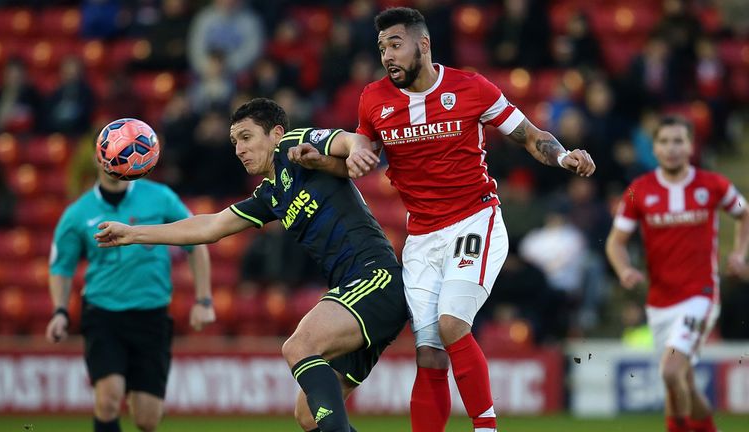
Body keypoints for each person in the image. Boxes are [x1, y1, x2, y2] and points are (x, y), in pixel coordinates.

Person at [293, 7, 595, 432]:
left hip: (475, 221)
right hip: (422, 237)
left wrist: (564, 156)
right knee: (429, 352)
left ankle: (486, 428)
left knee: (453, 323)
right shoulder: (373, 100)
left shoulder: (470, 87)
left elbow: (529, 135)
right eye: (382, 48)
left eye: (395, 45)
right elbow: (359, 163)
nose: (388, 56)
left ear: (424, 44)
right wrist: (319, 162)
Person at [94, 98, 408, 432]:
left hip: (376, 278)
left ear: (275, 134)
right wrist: (133, 234)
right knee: (307, 415)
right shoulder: (271, 195)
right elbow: (210, 227)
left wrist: (356, 148)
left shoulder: (293, 147)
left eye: (246, 137)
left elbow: (342, 140)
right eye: (234, 142)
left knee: (299, 346)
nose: (239, 149)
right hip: (356, 294)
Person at [45, 159, 215, 432]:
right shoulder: (78, 213)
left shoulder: (160, 197)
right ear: (97, 159)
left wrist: (203, 300)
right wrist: (60, 312)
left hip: (152, 315)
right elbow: (61, 267)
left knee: (147, 419)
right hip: (103, 314)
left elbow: (197, 241)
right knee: (108, 399)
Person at [606, 116, 749, 432]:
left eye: (678, 141)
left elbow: (744, 213)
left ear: (691, 145)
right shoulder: (637, 191)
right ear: (654, 148)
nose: (671, 149)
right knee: (682, 378)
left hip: (701, 295)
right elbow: (616, 242)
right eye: (665, 142)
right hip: (659, 301)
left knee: (670, 371)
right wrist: (624, 268)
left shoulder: (713, 184)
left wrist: (739, 254)